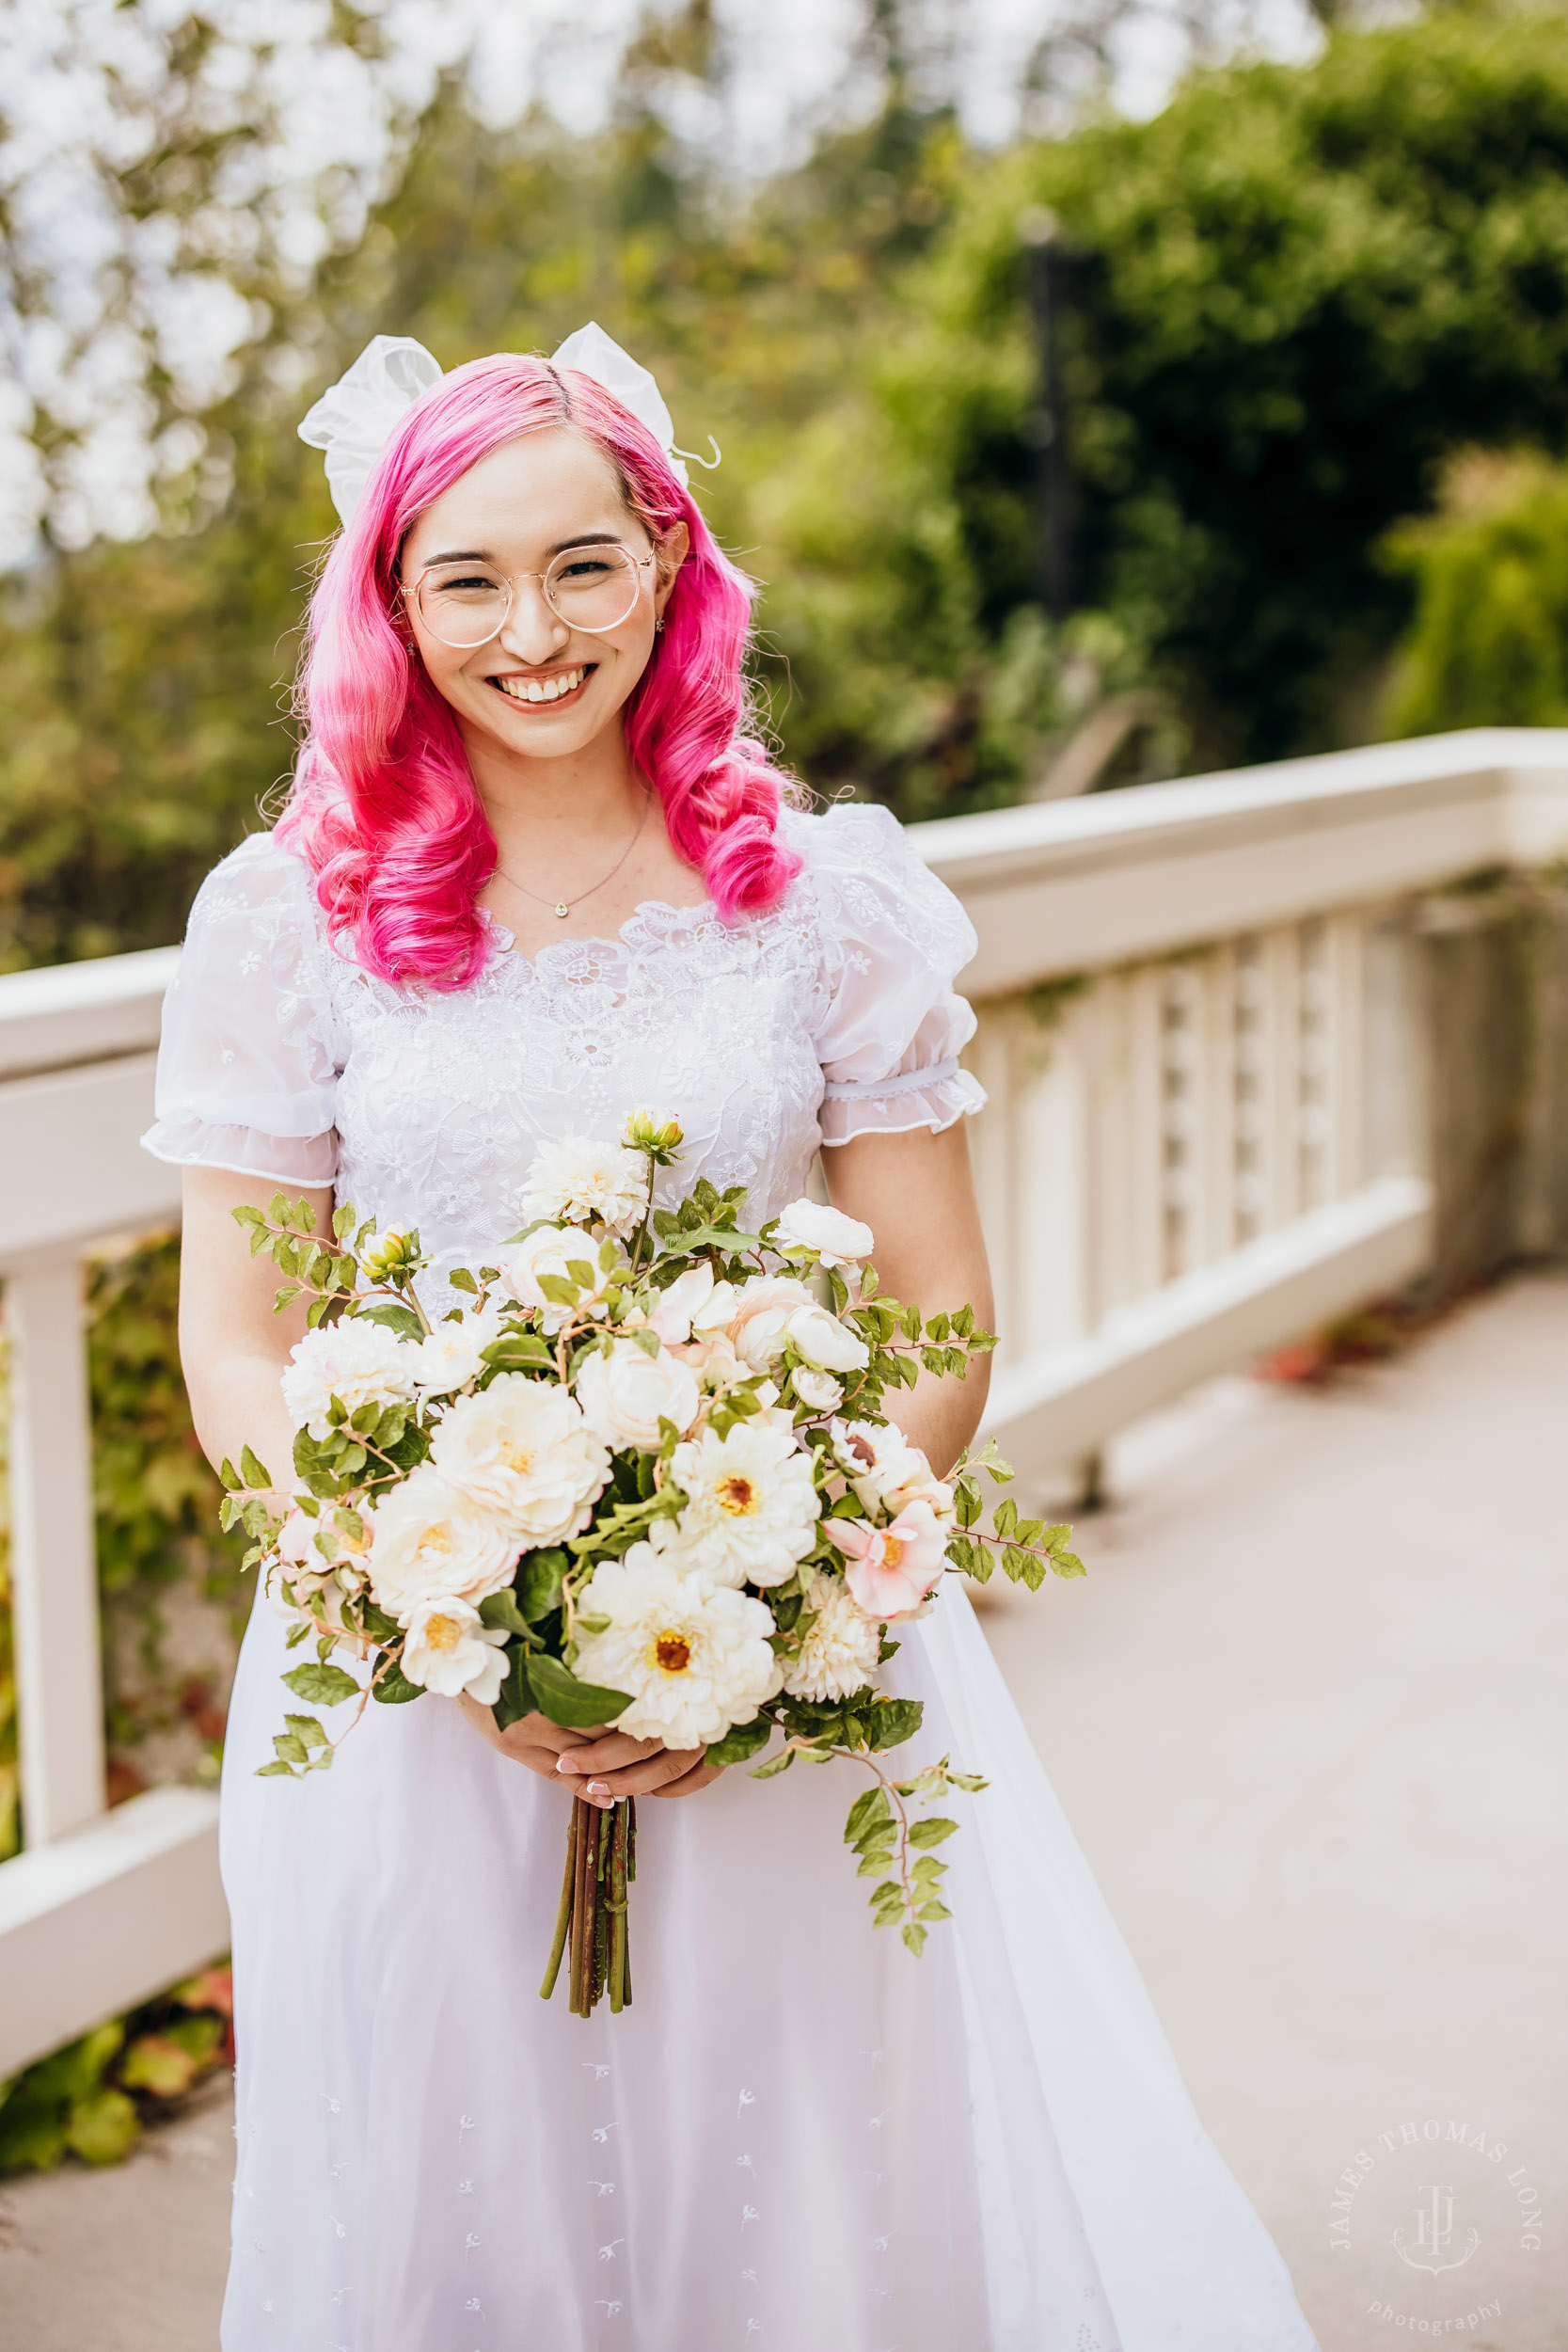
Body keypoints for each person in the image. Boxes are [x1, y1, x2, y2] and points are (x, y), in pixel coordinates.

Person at [145, 326, 1320, 2352]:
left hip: (783, 1678)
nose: (535, 628)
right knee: (454, 2176)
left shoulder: (820, 899)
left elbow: (941, 1310)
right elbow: (239, 1341)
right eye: (470, 578)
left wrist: (770, 1611)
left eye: (585, 562)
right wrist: (423, 1616)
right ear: (391, 605)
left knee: (797, 2182)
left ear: (671, 563)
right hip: (409, 1692)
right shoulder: (289, 916)